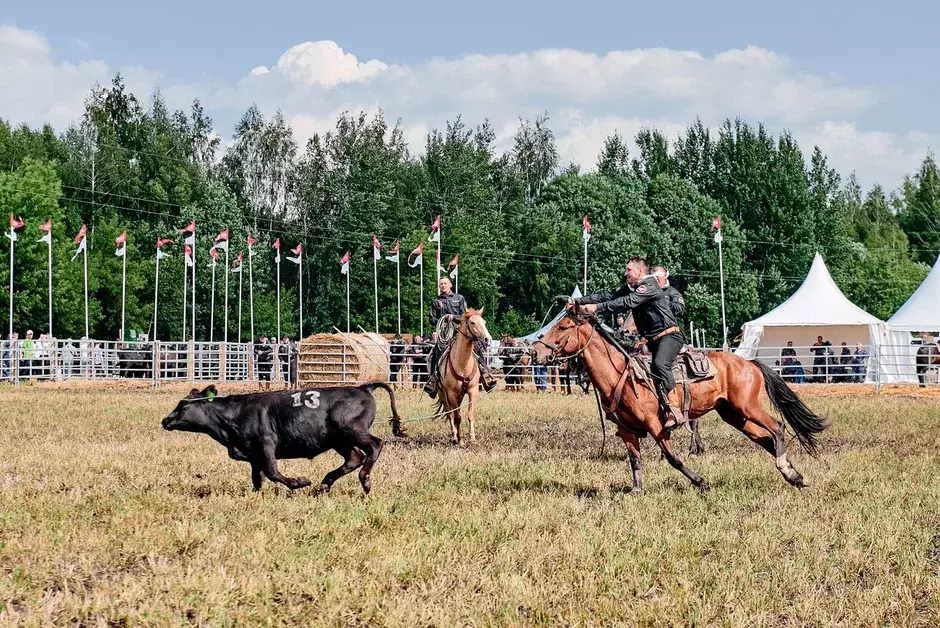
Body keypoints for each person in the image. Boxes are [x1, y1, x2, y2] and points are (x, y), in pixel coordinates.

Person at [569, 256, 686, 429]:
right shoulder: (633, 287)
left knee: (661, 363)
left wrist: (597, 308)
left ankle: (674, 408)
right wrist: (578, 301)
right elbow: (606, 295)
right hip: (652, 339)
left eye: (629, 270)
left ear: (640, 271)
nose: (626, 273)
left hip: (669, 337)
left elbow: (627, 302)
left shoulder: (649, 286)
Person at [423, 276, 497, 398]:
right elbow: (432, 319)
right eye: (441, 284)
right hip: (444, 334)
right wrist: (442, 319)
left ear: (450, 285)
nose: (442, 285)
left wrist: (453, 317)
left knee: (477, 348)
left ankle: (486, 375)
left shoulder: (459, 298)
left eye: (445, 283)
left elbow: (465, 315)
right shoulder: (435, 301)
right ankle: (433, 380)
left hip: (460, 332)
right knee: (435, 353)